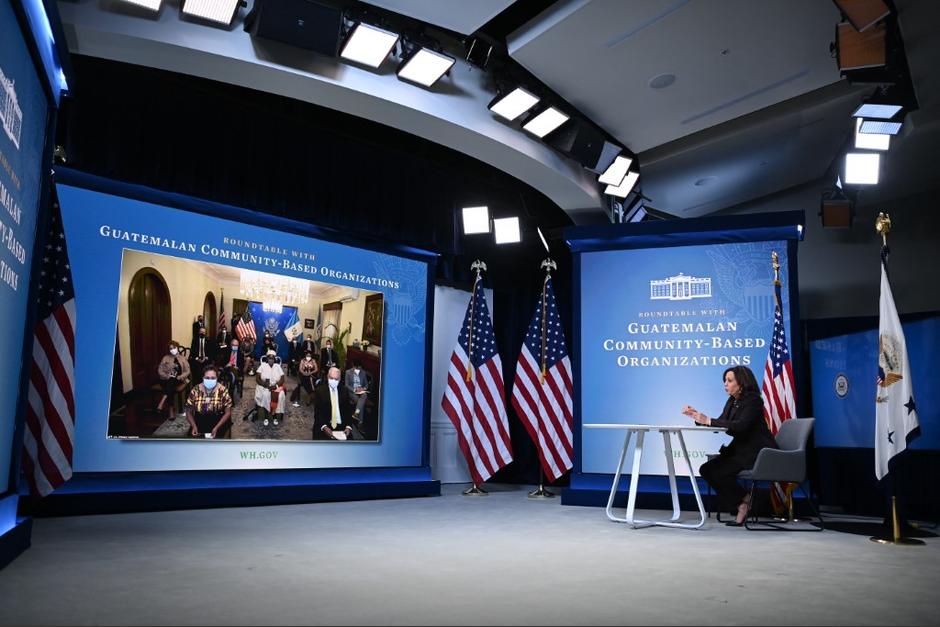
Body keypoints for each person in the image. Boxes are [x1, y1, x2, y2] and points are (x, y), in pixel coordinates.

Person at [682, 365, 778, 526]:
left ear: (742, 382)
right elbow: (722, 423)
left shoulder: (753, 400)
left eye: (729, 380)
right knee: (706, 469)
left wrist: (708, 420)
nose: (725, 384)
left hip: (758, 452)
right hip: (740, 450)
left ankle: (743, 504)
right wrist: (698, 417)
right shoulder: (732, 401)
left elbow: (741, 426)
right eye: (725, 380)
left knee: (719, 472)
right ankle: (744, 501)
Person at [184, 365, 233, 439]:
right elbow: (188, 412)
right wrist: (194, 426)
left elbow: (228, 413)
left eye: (213, 378)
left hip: (218, 420)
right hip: (200, 420)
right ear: (203, 378)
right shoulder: (195, 390)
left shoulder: (223, 391)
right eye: (207, 378)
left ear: (217, 378)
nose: (210, 380)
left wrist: (216, 428)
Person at [313, 367, 353, 440]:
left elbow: (348, 410)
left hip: (342, 426)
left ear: (340, 379)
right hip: (325, 424)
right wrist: (324, 427)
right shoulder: (320, 391)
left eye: (336, 379)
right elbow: (317, 413)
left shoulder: (344, 391)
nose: (333, 381)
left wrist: (348, 427)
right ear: (327, 377)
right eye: (331, 378)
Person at [156, 340, 190, 417]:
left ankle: (164, 403)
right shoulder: (165, 358)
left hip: (178, 379)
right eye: (170, 348)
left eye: (174, 347)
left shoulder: (182, 358)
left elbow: (187, 371)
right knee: (170, 382)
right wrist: (166, 376)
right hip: (165, 379)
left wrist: (180, 376)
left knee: (172, 381)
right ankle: (170, 408)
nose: (172, 350)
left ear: (177, 347)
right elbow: (159, 370)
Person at [254, 349, 286, 426]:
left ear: (274, 359)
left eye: (272, 358)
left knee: (280, 395)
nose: (270, 359)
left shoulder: (277, 366)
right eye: (269, 358)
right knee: (266, 395)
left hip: (276, 386)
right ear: (267, 358)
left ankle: (274, 415)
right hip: (265, 386)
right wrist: (264, 384)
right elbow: (257, 378)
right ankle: (266, 417)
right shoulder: (263, 366)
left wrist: (276, 386)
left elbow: (282, 379)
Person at [344, 360, 372, 434]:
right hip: (352, 392)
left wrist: (363, 388)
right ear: (354, 367)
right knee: (361, 404)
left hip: (361, 391)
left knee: (364, 395)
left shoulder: (363, 372)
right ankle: (360, 424)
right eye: (357, 369)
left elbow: (366, 384)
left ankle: (356, 414)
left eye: (360, 369)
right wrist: (354, 389)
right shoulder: (348, 372)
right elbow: (346, 385)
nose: (359, 370)